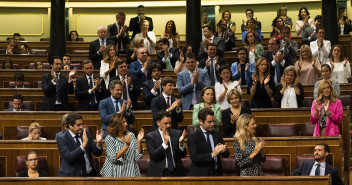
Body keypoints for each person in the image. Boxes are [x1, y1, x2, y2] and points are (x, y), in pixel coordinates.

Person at [188, 108, 229, 176]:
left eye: (213, 121)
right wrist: (212, 154)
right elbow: (194, 158)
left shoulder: (217, 133)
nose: (212, 124)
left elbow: (226, 153)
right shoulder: (193, 136)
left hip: (217, 174)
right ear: (201, 121)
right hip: (201, 176)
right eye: (209, 122)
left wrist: (223, 151)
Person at [146, 110, 187, 177]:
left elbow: (183, 155)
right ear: (158, 123)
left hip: (176, 173)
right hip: (158, 174)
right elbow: (154, 156)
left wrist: (181, 144)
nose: (168, 125)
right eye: (165, 123)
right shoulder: (150, 136)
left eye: (170, 123)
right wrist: (165, 143)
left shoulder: (177, 134)